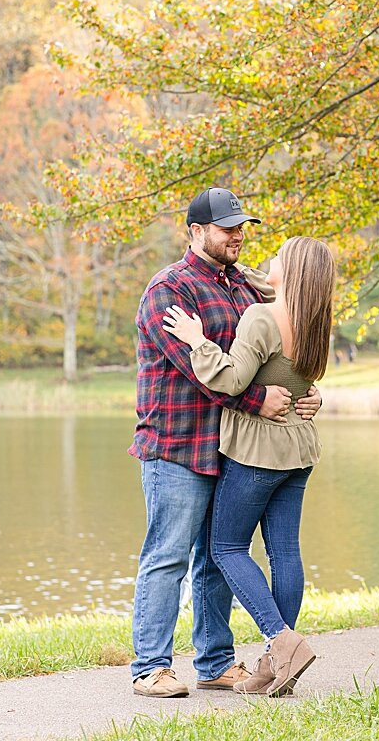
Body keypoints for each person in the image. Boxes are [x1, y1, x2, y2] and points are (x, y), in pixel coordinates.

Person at [129, 187, 321, 698]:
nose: (239, 235)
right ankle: (150, 667)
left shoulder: (244, 285)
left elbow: (282, 344)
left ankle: (215, 661)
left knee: (216, 557)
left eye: (242, 226)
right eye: (227, 227)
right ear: (196, 231)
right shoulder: (169, 291)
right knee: (167, 555)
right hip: (176, 444)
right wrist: (262, 402)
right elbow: (203, 375)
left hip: (230, 447)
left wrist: (306, 393)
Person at [164, 235, 336, 698]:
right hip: (299, 451)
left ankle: (282, 643)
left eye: (278, 256)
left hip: (258, 452)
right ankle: (274, 665)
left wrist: (198, 340)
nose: (268, 259)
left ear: (293, 271)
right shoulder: (316, 322)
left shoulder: (262, 317)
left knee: (226, 548)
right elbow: (305, 380)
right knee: (284, 552)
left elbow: (231, 377)